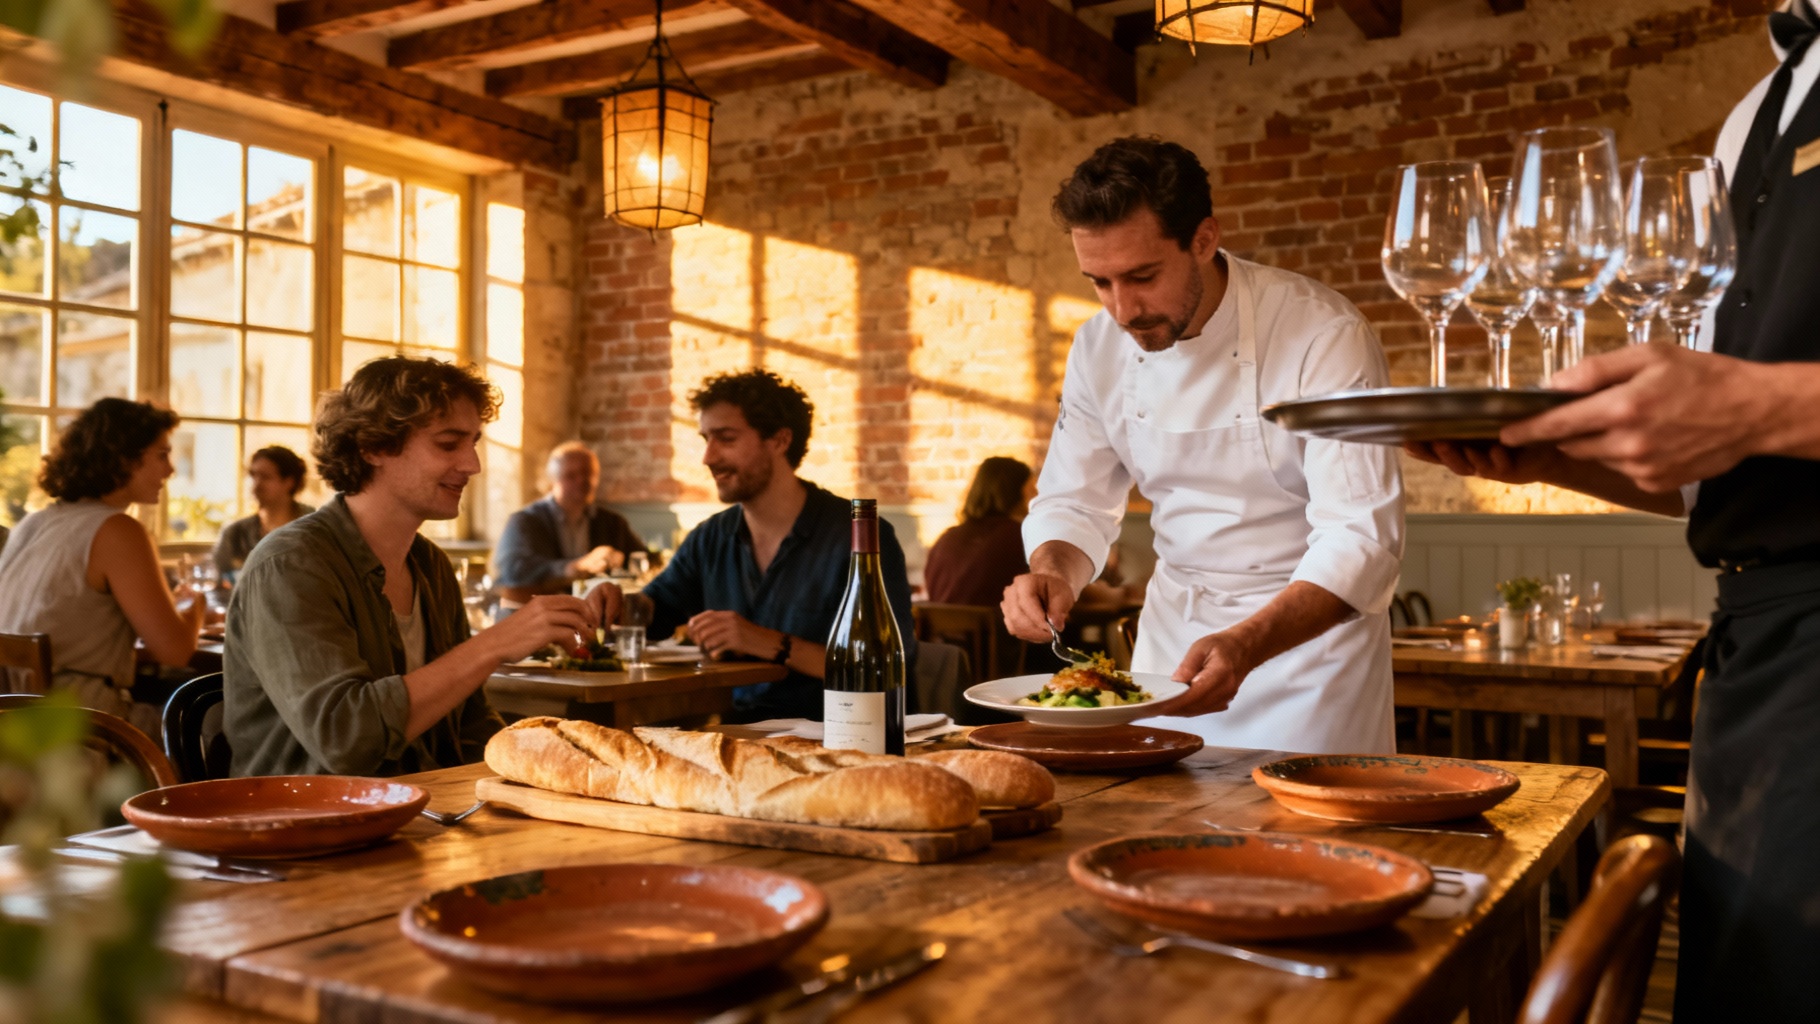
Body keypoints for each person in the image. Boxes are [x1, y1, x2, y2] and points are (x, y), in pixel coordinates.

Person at [1410, 6, 1820, 1018]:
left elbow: (1755, 413)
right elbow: (1725, 475)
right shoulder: (1750, 117)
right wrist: (1552, 458)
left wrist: (1763, 405)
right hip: (1758, 656)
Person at [1000, 136, 1405, 753]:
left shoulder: (1321, 333)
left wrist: (1248, 643)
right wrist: (1053, 573)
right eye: (1099, 282)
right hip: (1172, 649)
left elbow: (1362, 538)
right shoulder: (1097, 346)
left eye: (1142, 276)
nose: (1123, 309)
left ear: (1204, 239)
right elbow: (1075, 502)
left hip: (1309, 659)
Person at [224, 357, 618, 777]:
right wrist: (494, 644)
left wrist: (552, 767)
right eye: (448, 444)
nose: (472, 465)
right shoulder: (290, 564)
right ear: (372, 447)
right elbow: (345, 739)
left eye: (473, 443)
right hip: (308, 814)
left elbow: (468, 726)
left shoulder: (430, 565)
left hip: (424, 807)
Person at [623, 369, 916, 721]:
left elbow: (882, 667)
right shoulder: (711, 537)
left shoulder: (859, 536)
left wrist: (764, 642)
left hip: (839, 735)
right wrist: (615, 606)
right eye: (705, 439)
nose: (708, 458)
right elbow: (655, 612)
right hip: (735, 734)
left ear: (779, 441)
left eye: (726, 439)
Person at [0, 398, 203, 735]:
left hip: (17, 730)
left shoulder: (33, 524)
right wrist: (195, 607)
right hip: (87, 730)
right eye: (162, 455)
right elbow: (175, 652)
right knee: (215, 717)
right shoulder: (118, 530)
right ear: (123, 458)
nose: (171, 470)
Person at [493, 441, 647, 614]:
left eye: (588, 473)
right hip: (538, 616)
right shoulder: (525, 521)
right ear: (552, 481)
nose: (582, 481)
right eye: (571, 475)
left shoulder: (612, 522)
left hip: (594, 618)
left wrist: (621, 564)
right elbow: (512, 572)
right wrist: (575, 568)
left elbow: (643, 559)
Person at [922, 456, 1034, 606]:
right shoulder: (1018, 537)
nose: (1036, 497)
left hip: (941, 622)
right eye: (1032, 490)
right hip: (996, 622)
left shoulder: (946, 539)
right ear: (1017, 492)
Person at [212, 445, 314, 579]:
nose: (256, 485)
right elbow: (218, 582)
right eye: (253, 475)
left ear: (289, 482)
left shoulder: (314, 529)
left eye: (265, 477)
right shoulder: (235, 534)